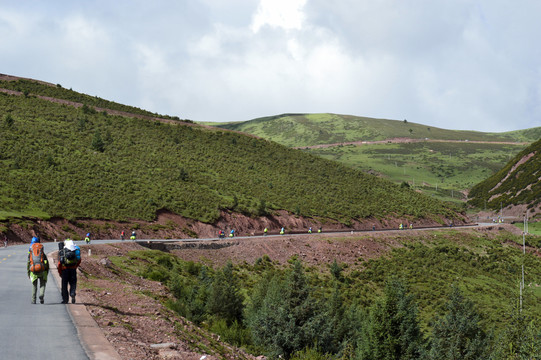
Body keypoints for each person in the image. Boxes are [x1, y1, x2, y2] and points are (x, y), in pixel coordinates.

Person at [57, 239, 81, 304]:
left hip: (65, 270)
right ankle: (72, 293)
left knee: (64, 285)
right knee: (73, 283)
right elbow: (79, 260)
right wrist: (75, 267)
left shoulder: (62, 251)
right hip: (73, 270)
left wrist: (60, 272)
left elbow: (59, 264)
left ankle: (65, 300)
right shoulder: (75, 250)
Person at [27, 236, 49, 304]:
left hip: (33, 270)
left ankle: (33, 300)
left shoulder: (30, 253)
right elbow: (46, 263)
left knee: (34, 286)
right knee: (42, 284)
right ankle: (41, 295)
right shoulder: (42, 253)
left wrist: (28, 273)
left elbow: (28, 264)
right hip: (42, 270)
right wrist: (46, 270)